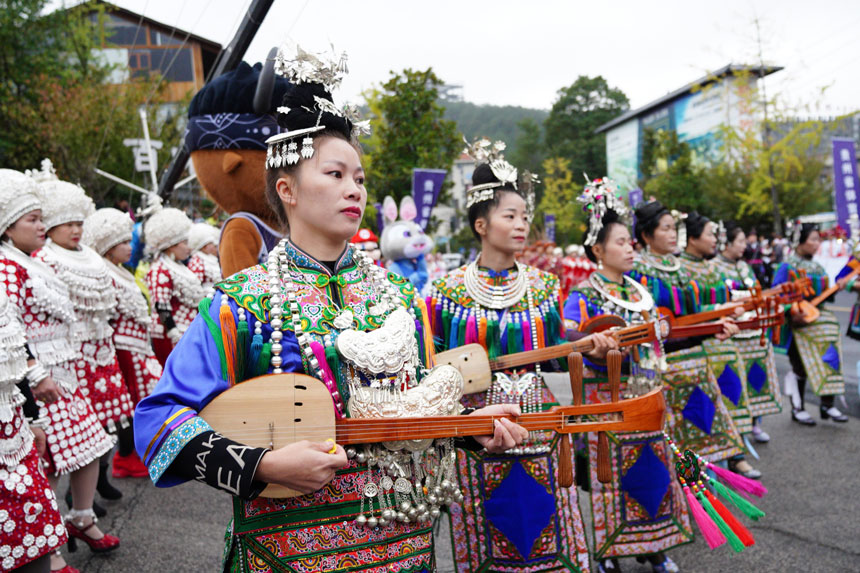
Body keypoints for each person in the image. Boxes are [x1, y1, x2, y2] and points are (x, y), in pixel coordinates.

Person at [134, 45, 526, 572]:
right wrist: (261, 465)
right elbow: (158, 420)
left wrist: (470, 428)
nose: (354, 189)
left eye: (360, 178)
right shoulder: (241, 303)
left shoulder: (402, 297)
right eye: (335, 174)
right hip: (288, 551)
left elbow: (416, 410)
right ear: (286, 189)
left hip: (404, 545)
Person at [428, 139, 591, 572]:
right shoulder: (444, 292)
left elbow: (559, 352)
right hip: (477, 429)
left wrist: (590, 343)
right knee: (484, 527)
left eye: (525, 216)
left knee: (546, 523)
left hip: (538, 420)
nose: (522, 225)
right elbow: (435, 368)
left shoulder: (543, 286)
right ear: (481, 224)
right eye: (510, 216)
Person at [564, 180, 690, 573]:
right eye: (620, 242)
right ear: (598, 250)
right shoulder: (583, 292)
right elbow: (567, 335)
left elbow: (666, 328)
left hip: (645, 394)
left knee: (652, 470)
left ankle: (655, 545)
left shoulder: (642, 290)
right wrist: (592, 340)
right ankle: (609, 551)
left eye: (630, 242)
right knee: (608, 479)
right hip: (604, 399)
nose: (629, 247)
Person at [0, 168, 118, 573]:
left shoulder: (29, 261)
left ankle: (80, 518)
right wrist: (34, 373)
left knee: (90, 447)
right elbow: (9, 327)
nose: (42, 225)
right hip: (37, 375)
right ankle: (46, 549)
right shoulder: (7, 266)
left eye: (41, 217)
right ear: (7, 226)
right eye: (33, 219)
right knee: (40, 461)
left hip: (62, 369)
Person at [32, 171, 137, 503]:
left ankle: (91, 494)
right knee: (73, 433)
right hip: (69, 358)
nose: (76, 229)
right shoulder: (43, 260)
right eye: (67, 224)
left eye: (79, 222)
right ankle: (74, 504)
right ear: (49, 226)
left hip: (101, 349)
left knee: (104, 426)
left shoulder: (91, 258)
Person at [628, 202, 742, 464]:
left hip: (697, 360)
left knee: (708, 431)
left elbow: (694, 311)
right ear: (647, 235)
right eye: (665, 228)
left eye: (674, 228)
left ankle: (712, 494)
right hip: (664, 365)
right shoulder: (637, 271)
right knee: (676, 444)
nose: (672, 234)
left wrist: (717, 317)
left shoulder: (681, 268)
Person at [82, 208, 162, 478]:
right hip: (121, 348)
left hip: (136, 346)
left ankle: (130, 455)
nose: (131, 248)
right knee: (127, 406)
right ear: (107, 247)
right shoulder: (103, 273)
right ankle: (125, 457)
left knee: (138, 402)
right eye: (123, 243)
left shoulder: (118, 271)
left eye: (130, 241)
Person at [678, 213, 759, 480]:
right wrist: (718, 311)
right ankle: (702, 468)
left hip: (726, 343)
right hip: (698, 347)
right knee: (701, 411)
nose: (716, 240)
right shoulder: (679, 270)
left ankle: (736, 457)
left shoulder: (716, 268)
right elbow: (684, 313)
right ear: (691, 238)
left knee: (732, 399)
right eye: (710, 234)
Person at [713, 222, 782, 444]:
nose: (744, 246)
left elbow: (758, 290)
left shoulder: (744, 266)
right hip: (733, 332)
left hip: (753, 330)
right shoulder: (713, 267)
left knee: (755, 379)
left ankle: (754, 423)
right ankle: (736, 430)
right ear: (727, 242)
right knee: (735, 384)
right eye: (740, 241)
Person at [773, 223, 848, 424]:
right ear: (800, 240)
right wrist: (792, 313)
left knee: (829, 359)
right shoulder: (787, 266)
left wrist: (836, 288)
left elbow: (823, 297)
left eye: (818, 239)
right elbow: (777, 296)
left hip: (819, 321)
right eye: (813, 239)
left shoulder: (818, 267)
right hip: (797, 324)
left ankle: (827, 405)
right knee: (800, 366)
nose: (817, 244)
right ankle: (798, 407)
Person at [143, 206, 207, 366]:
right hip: (170, 334)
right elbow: (161, 304)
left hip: (189, 331)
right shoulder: (160, 268)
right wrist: (174, 332)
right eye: (184, 243)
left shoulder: (181, 267)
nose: (189, 247)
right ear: (171, 245)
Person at [187, 222, 222, 290]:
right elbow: (196, 286)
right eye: (211, 243)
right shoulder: (197, 261)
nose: (214, 245)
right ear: (204, 246)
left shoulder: (210, 258)